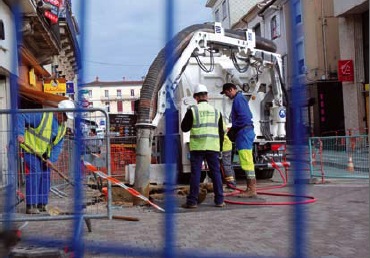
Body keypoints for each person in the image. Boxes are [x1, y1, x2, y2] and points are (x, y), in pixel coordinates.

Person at [17, 99, 75, 214]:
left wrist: (51, 159)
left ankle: (42, 204)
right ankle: (31, 205)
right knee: (35, 172)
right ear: (59, 112)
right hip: (30, 150)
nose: (65, 120)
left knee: (45, 175)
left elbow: (58, 146)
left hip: (44, 154)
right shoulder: (42, 116)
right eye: (64, 116)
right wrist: (20, 133)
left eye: (67, 118)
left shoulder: (62, 128)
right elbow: (21, 115)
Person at [180, 84, 225, 208]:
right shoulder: (217, 112)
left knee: (196, 174)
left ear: (196, 97)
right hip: (213, 147)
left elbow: (184, 128)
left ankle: (192, 201)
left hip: (198, 147)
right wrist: (220, 148)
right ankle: (220, 200)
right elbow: (221, 132)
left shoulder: (193, 110)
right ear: (207, 96)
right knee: (216, 173)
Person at [220, 83, 257, 198]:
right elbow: (248, 115)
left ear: (231, 90)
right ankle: (250, 188)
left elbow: (244, 117)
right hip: (244, 132)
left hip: (244, 133)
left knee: (246, 160)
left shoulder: (238, 100)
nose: (226, 95)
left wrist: (234, 128)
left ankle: (251, 189)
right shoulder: (240, 99)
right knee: (246, 160)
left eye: (226, 93)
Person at [221, 123, 237, 190]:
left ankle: (231, 185)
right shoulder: (221, 121)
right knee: (228, 166)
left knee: (226, 167)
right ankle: (232, 183)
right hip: (227, 146)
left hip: (225, 147)